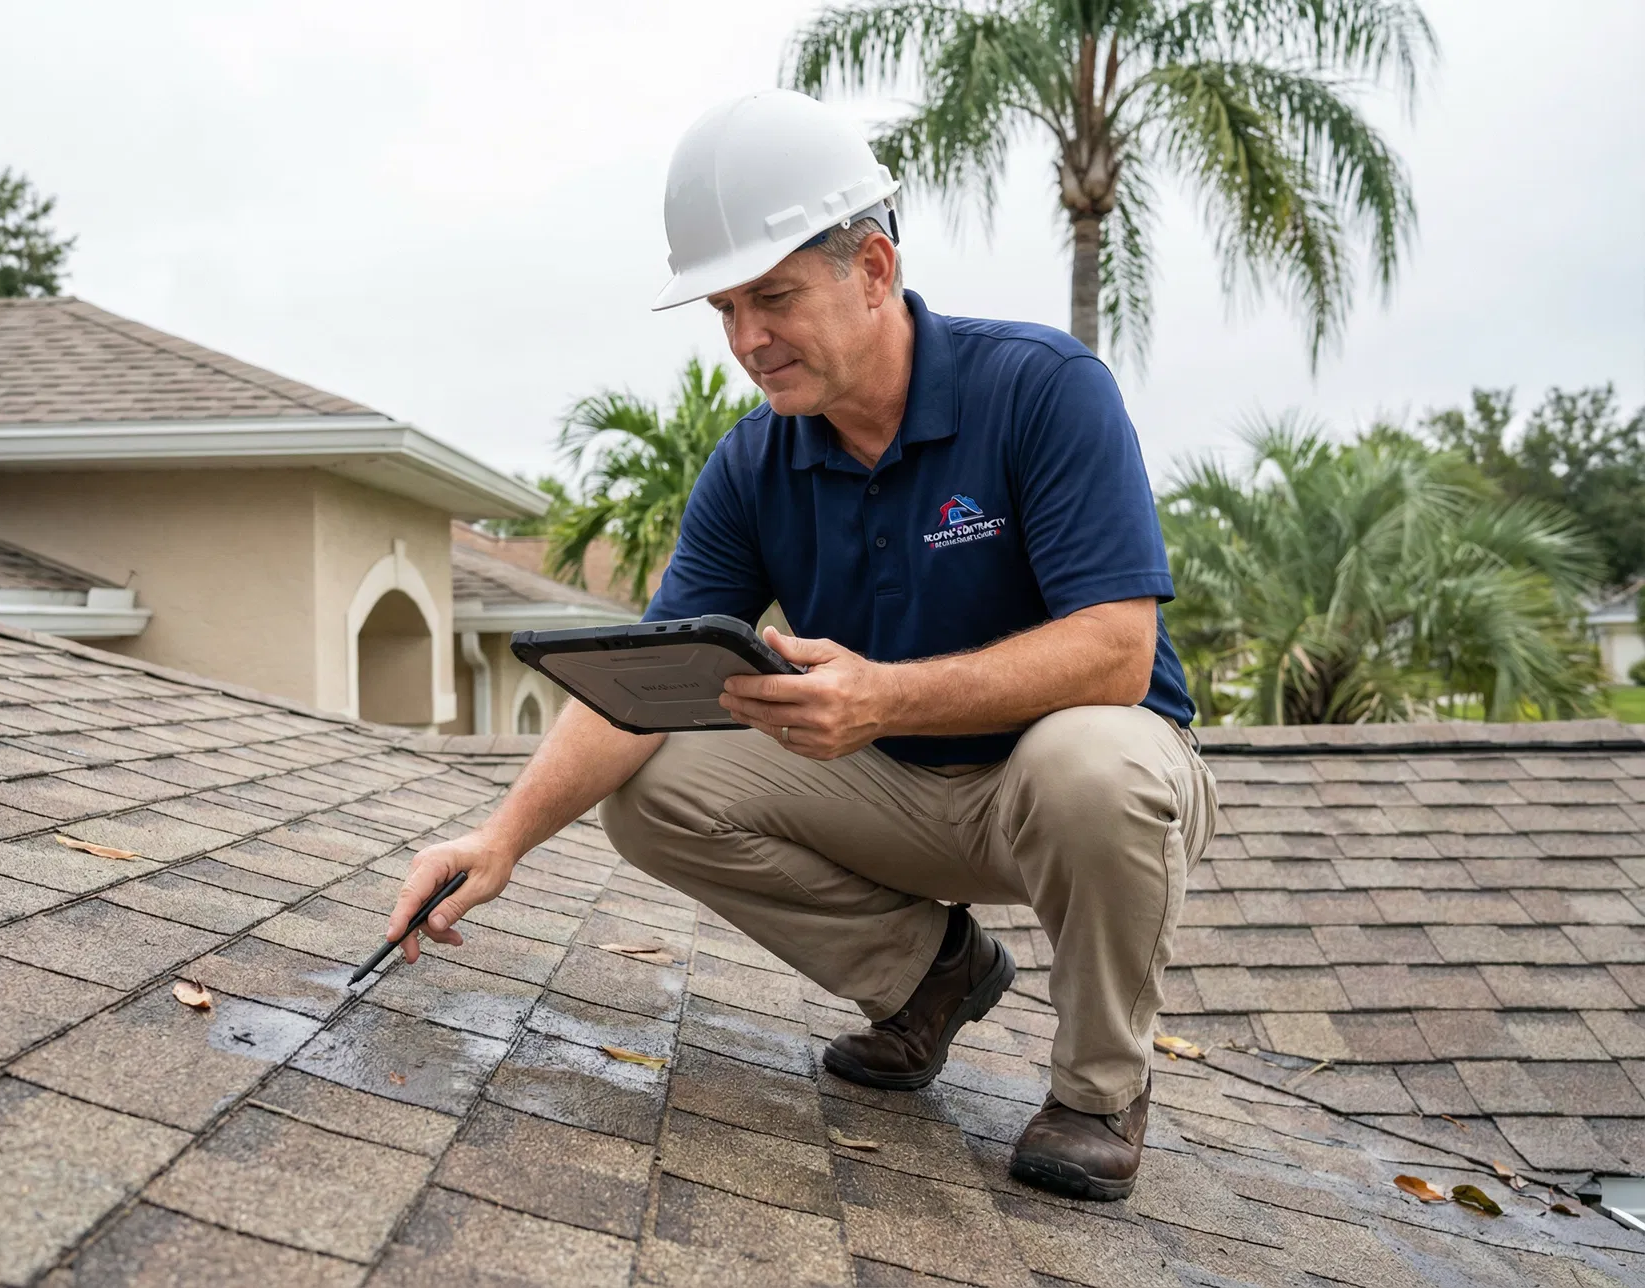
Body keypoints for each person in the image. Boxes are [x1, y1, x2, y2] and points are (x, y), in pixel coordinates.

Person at [381, 88, 1218, 1201]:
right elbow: (642, 684)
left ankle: (1099, 1091)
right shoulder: (756, 463)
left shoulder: (1039, 390)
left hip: (1072, 802)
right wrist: (500, 840)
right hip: (900, 803)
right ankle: (929, 981)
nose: (746, 340)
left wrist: (880, 699)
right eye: (724, 308)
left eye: (772, 296)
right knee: (658, 780)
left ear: (873, 269)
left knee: (1093, 763)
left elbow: (1118, 653)